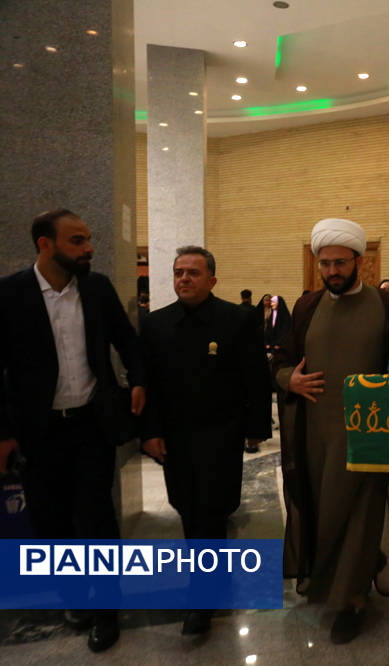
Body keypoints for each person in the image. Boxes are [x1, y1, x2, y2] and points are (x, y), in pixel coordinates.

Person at [0, 208, 146, 653]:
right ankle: (75, 597)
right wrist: (5, 433)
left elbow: (127, 339)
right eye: (77, 241)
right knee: (51, 522)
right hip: (39, 431)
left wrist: (138, 380)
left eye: (88, 239)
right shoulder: (11, 294)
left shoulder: (97, 288)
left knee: (97, 517)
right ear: (45, 245)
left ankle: (106, 609)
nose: (89, 248)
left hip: (90, 425)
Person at [273, 218, 389, 645]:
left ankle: (351, 600)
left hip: (368, 434)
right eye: (325, 263)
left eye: (340, 263)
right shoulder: (307, 306)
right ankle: (343, 576)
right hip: (315, 435)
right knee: (324, 512)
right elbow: (282, 360)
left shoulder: (386, 306)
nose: (332, 271)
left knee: (360, 513)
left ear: (359, 262)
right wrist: (289, 379)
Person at [139, 246, 272, 636]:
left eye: (193, 273)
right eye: (178, 272)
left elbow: (255, 376)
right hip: (176, 436)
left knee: (213, 510)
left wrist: (256, 427)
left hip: (221, 433)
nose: (184, 279)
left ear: (212, 279)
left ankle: (203, 597)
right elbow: (148, 384)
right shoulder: (156, 324)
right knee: (186, 506)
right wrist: (150, 432)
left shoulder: (237, 319)